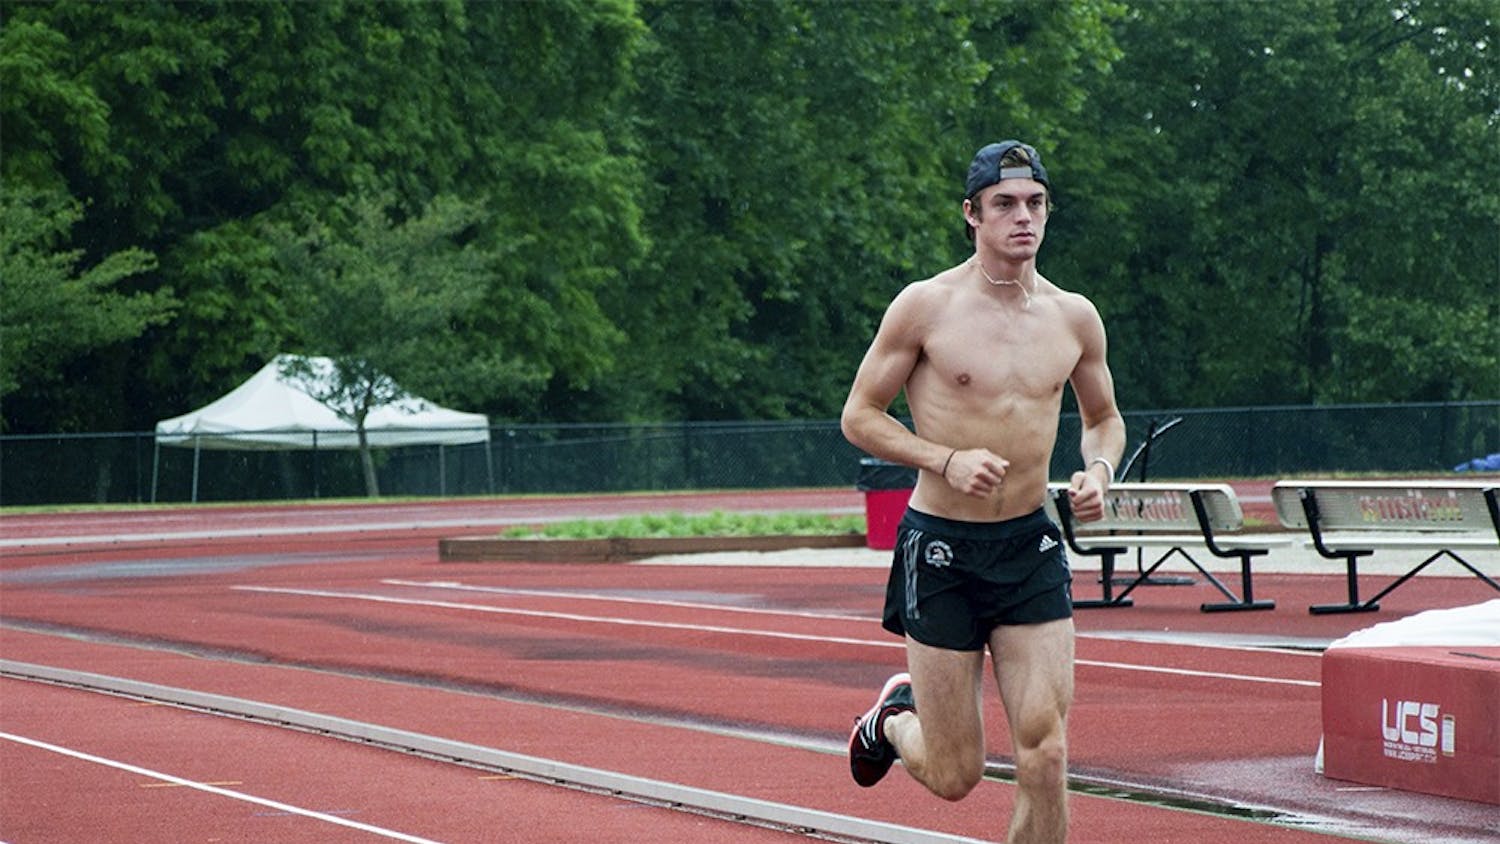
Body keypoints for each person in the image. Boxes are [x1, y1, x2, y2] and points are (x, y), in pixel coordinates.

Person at [840, 140, 1124, 844]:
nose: (1022, 218)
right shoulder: (926, 307)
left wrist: (1099, 471)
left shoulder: (1073, 317)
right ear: (972, 215)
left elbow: (1103, 420)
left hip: (1027, 544)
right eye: (1004, 205)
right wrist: (944, 458)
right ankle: (892, 720)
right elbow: (859, 417)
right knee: (955, 773)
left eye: (1035, 204)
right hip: (941, 549)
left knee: (1046, 750)